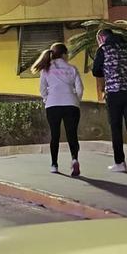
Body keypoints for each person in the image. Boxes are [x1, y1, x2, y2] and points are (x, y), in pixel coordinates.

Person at [92, 29, 127, 173]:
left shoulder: (103, 49)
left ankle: (120, 163)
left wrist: (107, 70)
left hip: (114, 92)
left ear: (102, 38)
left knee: (115, 127)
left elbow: (95, 71)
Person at [35, 43, 84, 176]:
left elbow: (42, 89)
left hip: (53, 105)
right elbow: (80, 89)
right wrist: (75, 100)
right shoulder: (72, 68)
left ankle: (54, 165)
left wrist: (47, 99)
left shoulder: (46, 69)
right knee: (72, 134)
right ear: (64, 54)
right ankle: (74, 159)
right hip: (71, 104)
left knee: (55, 135)